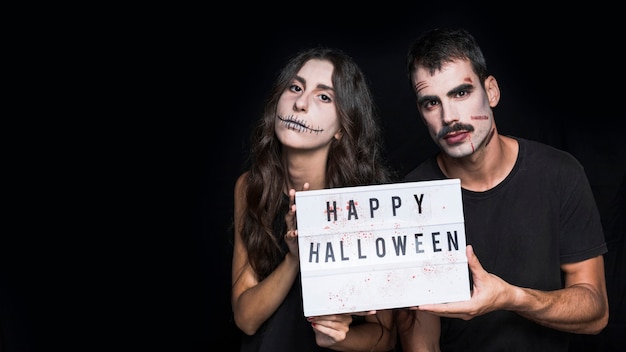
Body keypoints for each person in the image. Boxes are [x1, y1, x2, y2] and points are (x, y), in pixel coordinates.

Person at [395, 27, 609, 351]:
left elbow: (596, 312)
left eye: (461, 93)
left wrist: (511, 297)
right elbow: (421, 340)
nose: (449, 117)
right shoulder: (413, 197)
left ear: (491, 91)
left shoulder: (560, 173)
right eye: (431, 103)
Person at [231, 46, 397, 352]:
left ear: (342, 128)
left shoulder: (364, 205)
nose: (301, 104)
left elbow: (385, 337)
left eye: (324, 96)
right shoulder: (251, 187)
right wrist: (295, 256)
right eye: (295, 87)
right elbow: (245, 319)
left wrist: (340, 338)